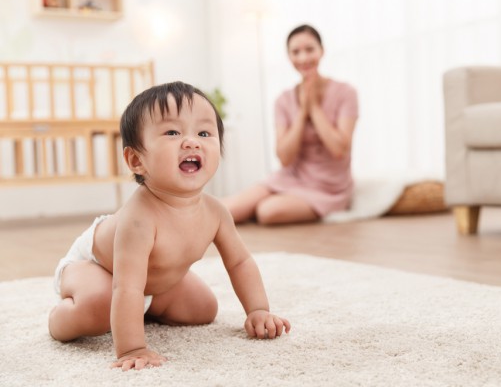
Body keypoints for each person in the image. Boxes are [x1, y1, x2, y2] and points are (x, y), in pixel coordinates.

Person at [48, 81, 291, 371]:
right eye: (172, 132)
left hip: (151, 282)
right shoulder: (138, 218)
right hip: (97, 267)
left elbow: (240, 262)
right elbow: (126, 286)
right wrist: (132, 347)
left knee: (203, 309)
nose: (191, 142)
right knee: (100, 305)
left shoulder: (215, 212)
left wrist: (258, 309)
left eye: (203, 132)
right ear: (137, 160)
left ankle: (144, 308)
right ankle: (59, 319)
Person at [223, 24, 359, 225]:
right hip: (289, 177)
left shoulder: (346, 92)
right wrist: (302, 112)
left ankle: (262, 206)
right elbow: (285, 158)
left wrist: (313, 107)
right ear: (289, 57)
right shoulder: (284, 100)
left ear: (322, 51)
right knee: (228, 209)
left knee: (268, 212)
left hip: (328, 187)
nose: (303, 58)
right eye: (296, 52)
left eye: (309, 49)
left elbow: (339, 149)